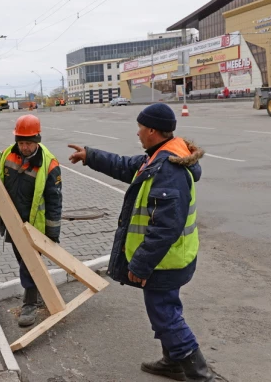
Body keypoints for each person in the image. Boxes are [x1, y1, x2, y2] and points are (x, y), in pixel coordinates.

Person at [68, 103, 217, 381]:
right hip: (171, 259)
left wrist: (140, 265)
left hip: (164, 262)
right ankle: (173, 363)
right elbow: (126, 166)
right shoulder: (160, 156)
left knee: (165, 316)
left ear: (151, 130)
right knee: (166, 311)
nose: (137, 133)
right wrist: (90, 156)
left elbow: (165, 228)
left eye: (140, 128)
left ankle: (200, 375)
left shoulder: (168, 170)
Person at [0, 114, 62, 327]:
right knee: (23, 260)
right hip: (11, 220)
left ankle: (30, 303)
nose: (24, 147)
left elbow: (55, 201)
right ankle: (40, 290)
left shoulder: (49, 164)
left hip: (33, 225)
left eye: (28, 143)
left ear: (37, 140)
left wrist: (53, 232)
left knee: (28, 262)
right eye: (21, 142)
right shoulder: (9, 153)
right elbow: (1, 178)